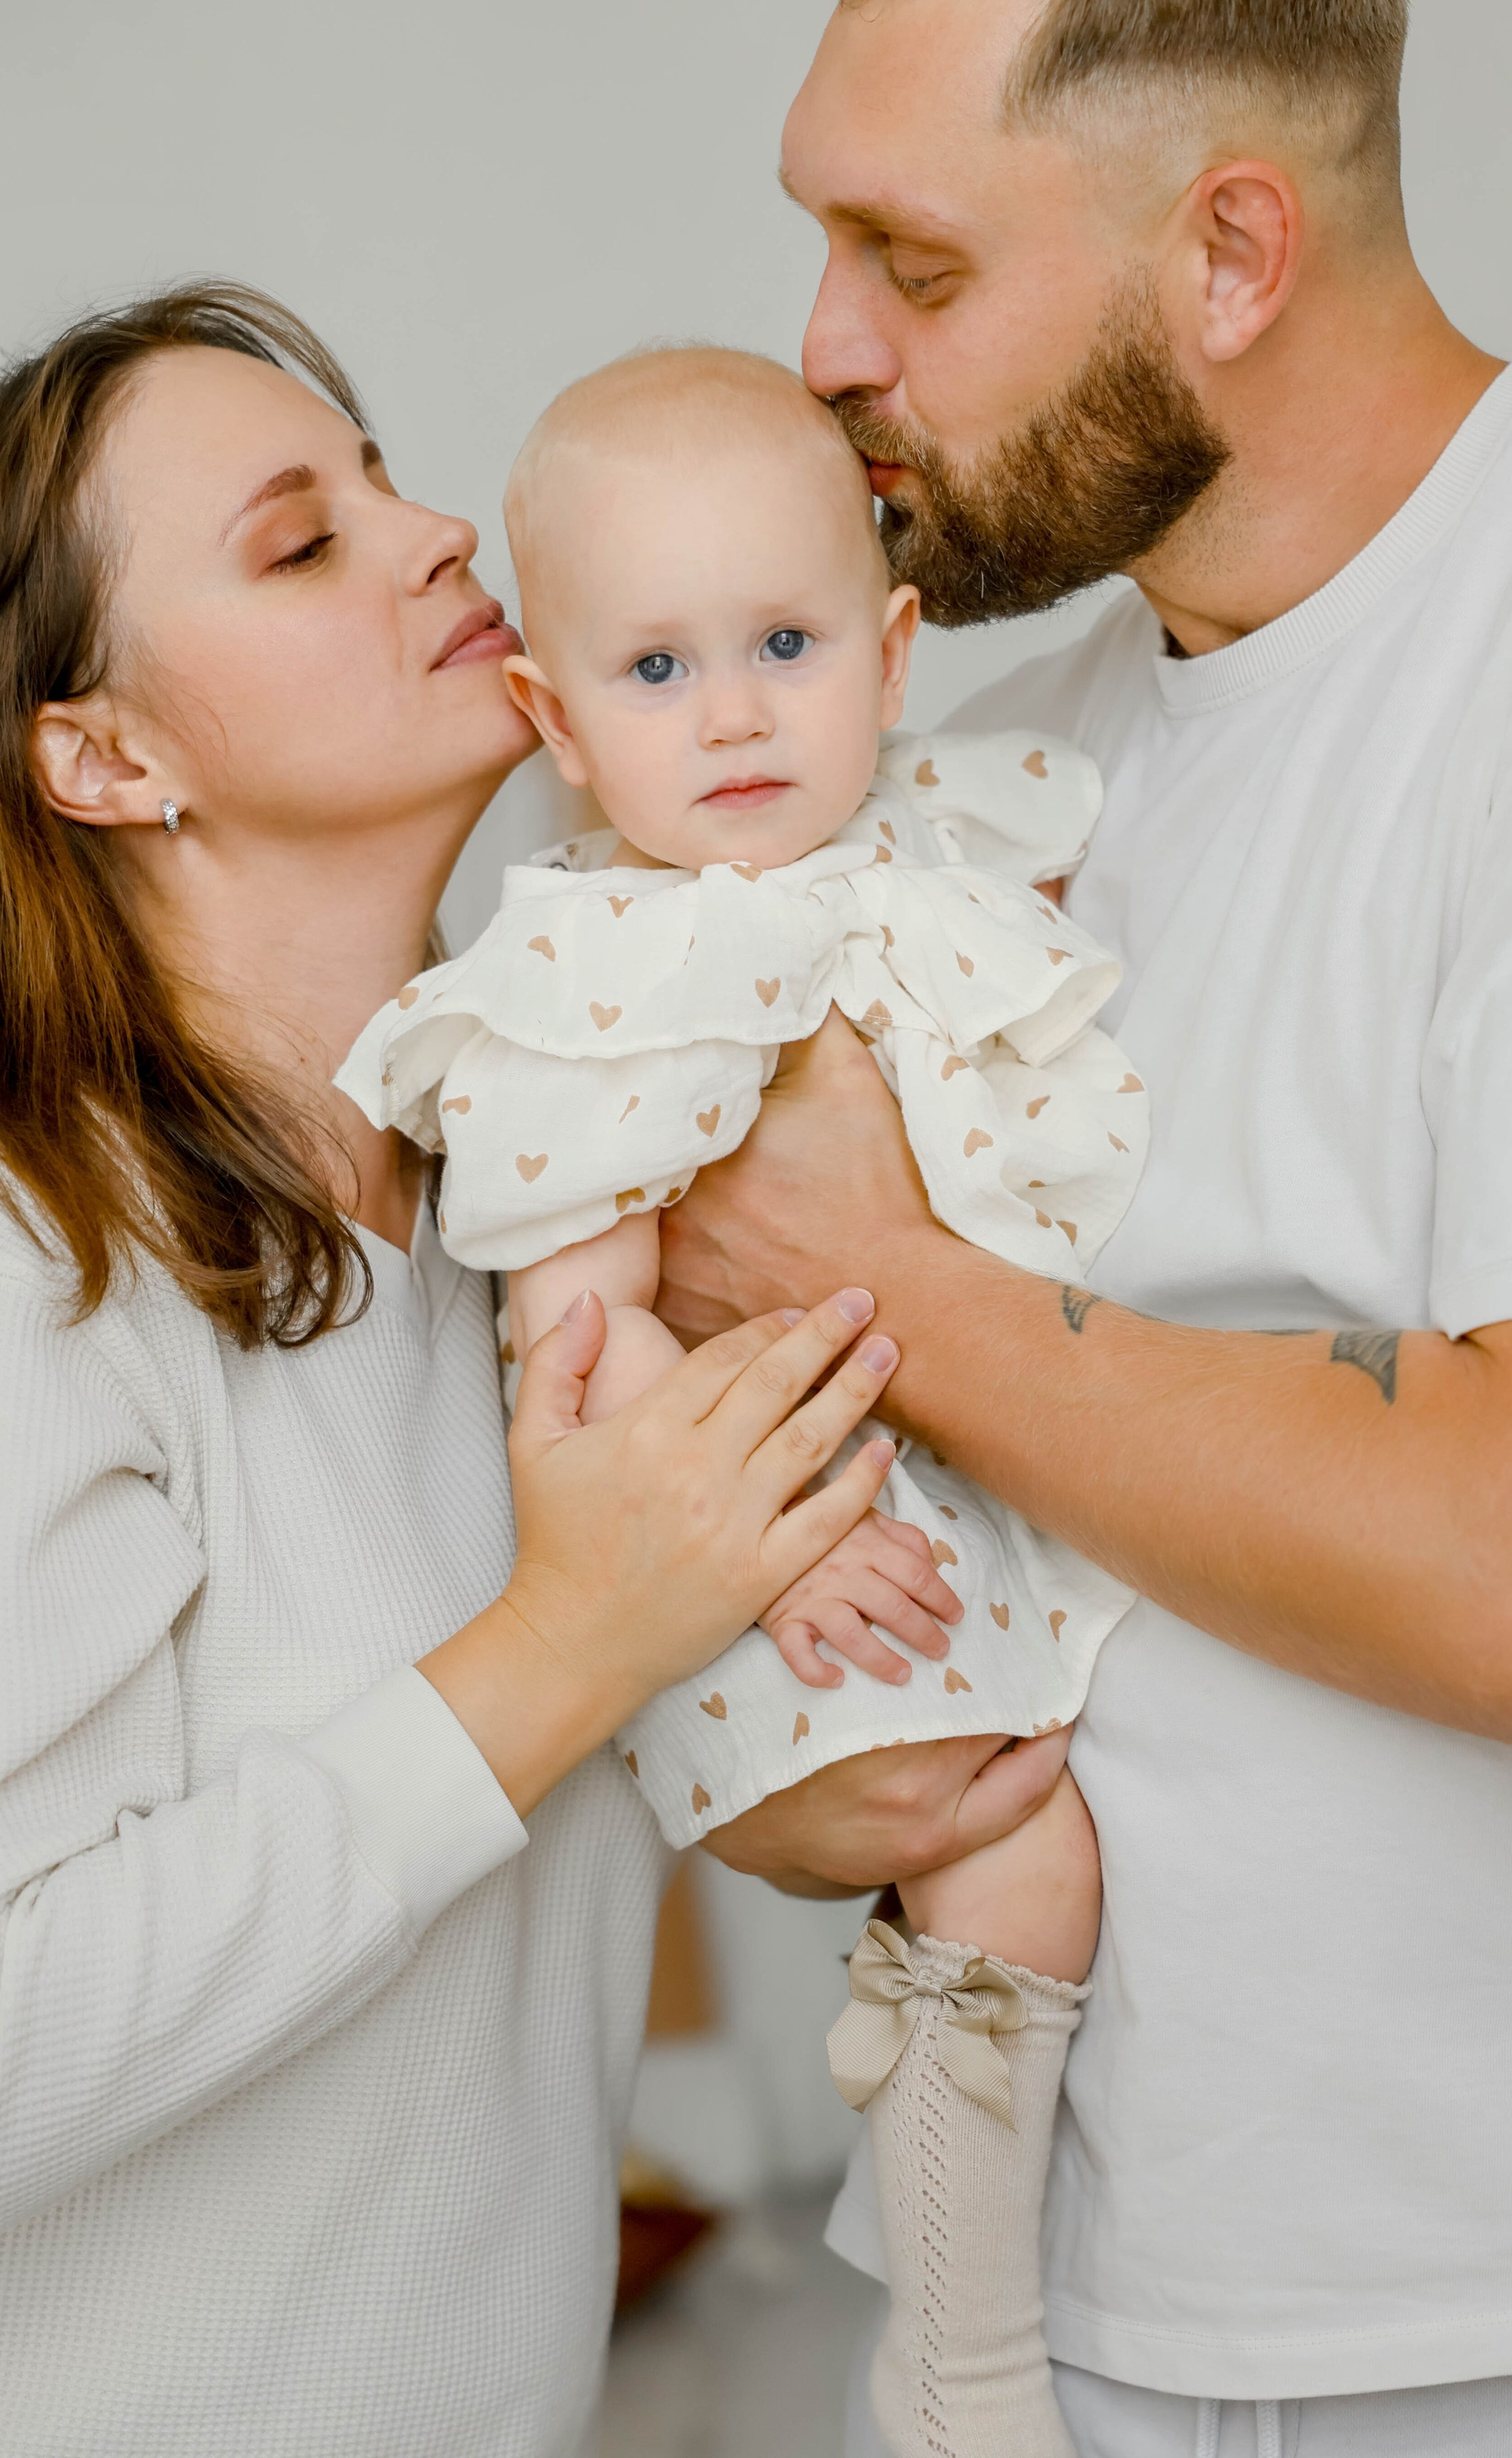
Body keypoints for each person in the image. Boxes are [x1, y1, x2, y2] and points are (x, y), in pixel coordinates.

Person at [659, 0, 1512, 2458]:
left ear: (1231, 250)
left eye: (913, 262)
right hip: (1077, 2313)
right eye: (822, 242)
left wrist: (884, 1283)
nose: (823, 348)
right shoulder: (992, 772)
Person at [0, 282, 918, 2458]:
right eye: (304, 540)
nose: (437, 531)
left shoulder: (541, 1221)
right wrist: (569, 1642)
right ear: (103, 756)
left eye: (386, 479)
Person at [337, 340, 1151, 2454]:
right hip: (772, 1542)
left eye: (787, 644)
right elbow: (582, 1362)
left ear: (890, 653)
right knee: (1022, 1848)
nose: (733, 715)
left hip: (984, 1463)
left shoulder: (949, 845)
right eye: (660, 669)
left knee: (1061, 1841)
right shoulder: (593, 979)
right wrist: (758, 1561)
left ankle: (947, 2125)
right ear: (558, 723)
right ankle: (963, 2356)